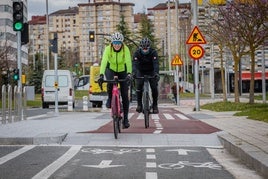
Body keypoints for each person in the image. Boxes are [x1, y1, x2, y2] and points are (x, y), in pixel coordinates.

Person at [98, 32, 132, 128]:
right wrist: (101, 74)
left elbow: (128, 62)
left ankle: (125, 119)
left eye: (119, 43)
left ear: (122, 43)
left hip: (122, 70)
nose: (117, 45)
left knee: (125, 94)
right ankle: (110, 97)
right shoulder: (108, 49)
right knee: (110, 82)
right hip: (111, 69)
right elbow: (104, 61)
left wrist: (129, 73)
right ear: (112, 43)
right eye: (115, 43)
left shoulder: (126, 50)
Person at [132, 37, 160, 114]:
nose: (145, 50)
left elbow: (156, 64)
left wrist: (156, 73)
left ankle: (155, 105)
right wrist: (133, 73)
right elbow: (134, 64)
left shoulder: (153, 52)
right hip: (141, 71)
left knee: (154, 87)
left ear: (149, 47)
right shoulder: (137, 53)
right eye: (143, 48)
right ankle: (139, 105)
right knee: (139, 86)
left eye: (146, 48)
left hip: (151, 71)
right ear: (140, 47)